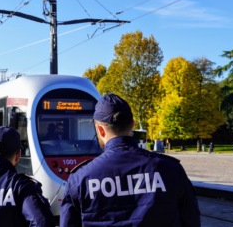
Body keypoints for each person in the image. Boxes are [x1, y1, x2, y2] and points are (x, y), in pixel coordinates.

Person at [60, 94, 201, 226]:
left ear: (100, 130)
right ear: (133, 125)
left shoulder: (80, 178)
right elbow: (191, 220)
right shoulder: (170, 169)